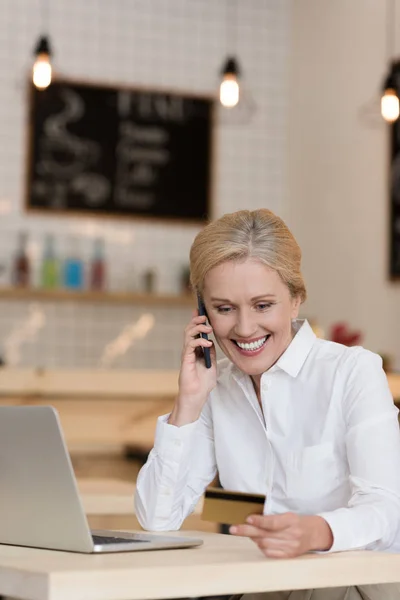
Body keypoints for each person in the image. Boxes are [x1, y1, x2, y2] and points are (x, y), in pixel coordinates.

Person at [135, 209, 400, 599]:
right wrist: (188, 402)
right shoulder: (216, 388)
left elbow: (387, 511)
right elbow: (158, 518)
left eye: (262, 306)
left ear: (295, 300)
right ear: (202, 313)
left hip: (349, 579)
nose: (244, 329)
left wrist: (316, 532)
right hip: (264, 580)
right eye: (224, 308)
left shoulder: (352, 372)